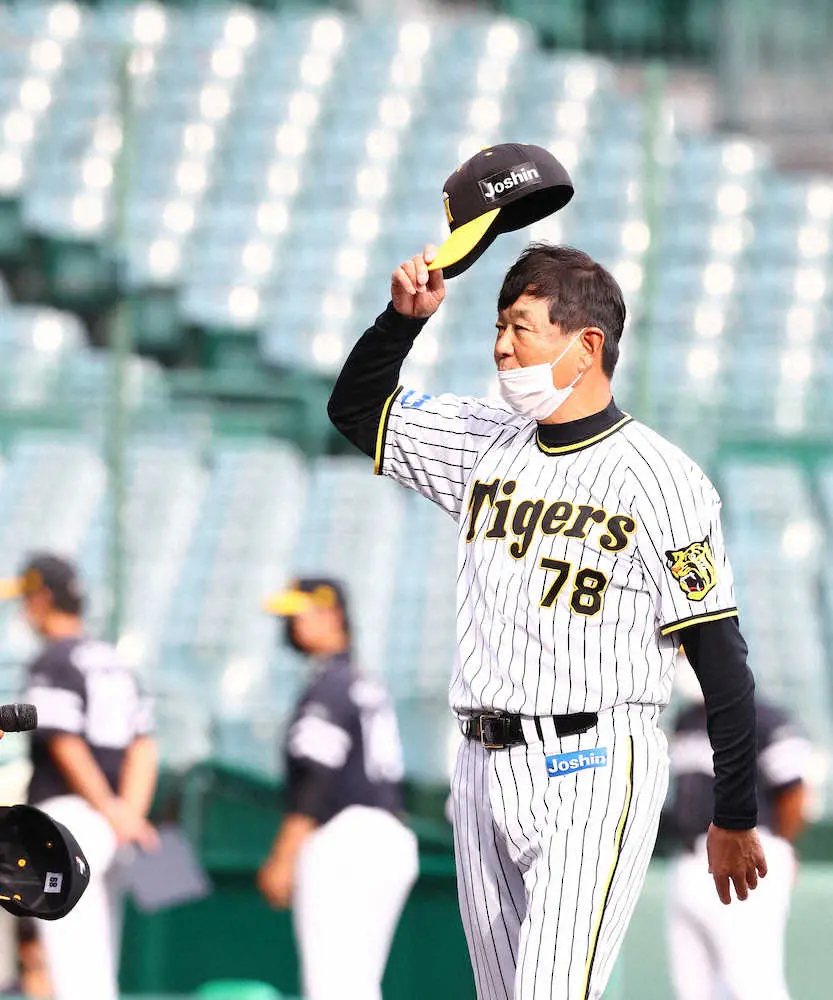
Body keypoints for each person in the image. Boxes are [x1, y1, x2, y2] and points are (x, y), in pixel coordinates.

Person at [327, 144, 766, 1000]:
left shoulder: (662, 477)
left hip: (597, 759)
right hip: (481, 766)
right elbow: (354, 410)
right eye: (496, 326)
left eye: (520, 328)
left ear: (584, 345)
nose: (498, 346)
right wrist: (403, 321)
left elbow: (721, 659)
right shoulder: (483, 441)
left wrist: (732, 811)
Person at [0, 553, 158, 1000]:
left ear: (44, 598)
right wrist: (128, 815)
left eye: (27, 599)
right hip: (113, 826)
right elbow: (145, 746)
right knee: (98, 956)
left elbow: (63, 741)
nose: (24, 610)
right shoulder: (116, 661)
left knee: (75, 963)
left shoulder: (53, 660)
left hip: (69, 818)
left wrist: (108, 809)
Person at [257, 577, 419, 1000]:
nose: (291, 626)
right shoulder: (362, 681)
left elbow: (317, 779)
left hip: (346, 840)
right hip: (387, 835)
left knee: (334, 985)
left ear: (332, 614)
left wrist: (283, 856)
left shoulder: (329, 684)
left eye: (299, 614)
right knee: (355, 982)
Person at [666, 659, 810, 1000]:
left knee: (753, 983)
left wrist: (779, 846)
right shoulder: (686, 721)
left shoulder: (761, 716)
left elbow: (793, 792)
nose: (682, 667)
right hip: (687, 860)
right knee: (693, 988)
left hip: (744, 857)